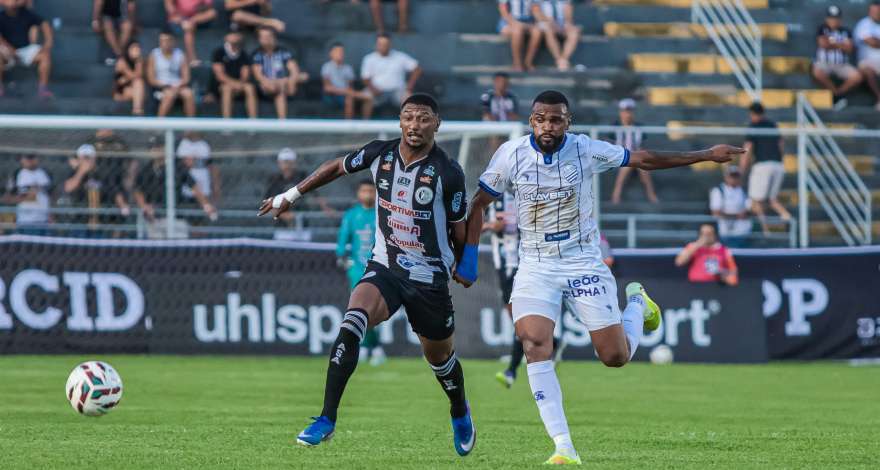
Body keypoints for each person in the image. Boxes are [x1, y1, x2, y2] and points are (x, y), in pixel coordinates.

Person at [455, 90, 744, 464]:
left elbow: (642, 159)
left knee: (614, 356)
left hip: (582, 262)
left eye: (556, 119)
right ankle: (563, 446)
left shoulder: (586, 149)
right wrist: (469, 257)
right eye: (541, 119)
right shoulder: (511, 154)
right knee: (534, 343)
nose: (548, 126)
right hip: (536, 264)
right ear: (531, 121)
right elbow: (479, 203)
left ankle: (637, 303)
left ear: (568, 122)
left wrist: (704, 154)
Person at [258, 94, 476, 456]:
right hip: (385, 266)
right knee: (352, 323)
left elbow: (459, 228)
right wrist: (291, 195)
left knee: (440, 360)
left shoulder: (448, 172)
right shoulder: (380, 154)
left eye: (424, 118)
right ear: (400, 121)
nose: (415, 125)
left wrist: (464, 261)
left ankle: (459, 411)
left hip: (428, 277)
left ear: (437, 124)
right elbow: (335, 167)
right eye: (409, 117)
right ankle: (326, 418)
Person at [335, 180, 386, 366]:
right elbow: (342, 241)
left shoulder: (382, 213)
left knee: (374, 310)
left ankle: (370, 346)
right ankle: (371, 347)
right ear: (358, 194)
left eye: (371, 191)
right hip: (357, 269)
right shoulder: (351, 215)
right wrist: (342, 257)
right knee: (360, 309)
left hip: (378, 267)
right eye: (364, 191)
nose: (368, 195)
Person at [133, 138, 216, 225]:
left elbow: (193, 186)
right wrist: (144, 206)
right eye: (152, 148)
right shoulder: (146, 169)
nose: (156, 150)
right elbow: (137, 190)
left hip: (176, 216)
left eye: (159, 147)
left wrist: (206, 205)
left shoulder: (176, 166)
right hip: (154, 216)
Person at [741, 101, 789, 235]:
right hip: (778, 165)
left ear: (752, 113)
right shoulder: (773, 125)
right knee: (772, 199)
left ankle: (765, 230)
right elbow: (781, 145)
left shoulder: (753, 126)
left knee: (755, 200)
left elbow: (747, 149)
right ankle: (786, 217)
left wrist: (742, 169)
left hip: (763, 165)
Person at [62, 143, 130, 236]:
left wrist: (123, 205)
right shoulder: (75, 173)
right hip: (80, 221)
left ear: (94, 158)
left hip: (101, 221)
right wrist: (81, 172)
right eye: (84, 158)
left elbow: (115, 191)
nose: (87, 160)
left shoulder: (103, 173)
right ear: (79, 159)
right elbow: (68, 188)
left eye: (88, 157)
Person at [0, 0, 53, 99]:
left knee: (45, 56)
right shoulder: (1, 17)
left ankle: (43, 88)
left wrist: (48, 42)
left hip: (26, 50)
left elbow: (44, 24)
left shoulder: (27, 14)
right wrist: (11, 50)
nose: (12, 2)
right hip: (7, 51)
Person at [609, 98, 658, 204]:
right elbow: (608, 144)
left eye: (630, 111)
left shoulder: (639, 127)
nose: (628, 114)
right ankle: (616, 194)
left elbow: (642, 146)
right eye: (625, 111)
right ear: (621, 112)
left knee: (642, 167)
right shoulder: (615, 127)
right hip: (619, 157)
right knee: (627, 164)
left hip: (635, 157)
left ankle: (651, 194)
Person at [813, 5, 862, 110]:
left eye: (836, 18)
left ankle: (837, 94)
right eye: (831, 18)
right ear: (827, 19)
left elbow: (849, 49)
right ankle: (837, 95)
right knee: (817, 71)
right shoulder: (822, 29)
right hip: (824, 62)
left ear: (840, 19)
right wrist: (841, 44)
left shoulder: (846, 31)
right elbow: (823, 44)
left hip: (841, 64)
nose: (834, 21)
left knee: (857, 76)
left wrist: (831, 43)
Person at [360, 33, 421, 111]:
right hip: (377, 90)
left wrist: (409, 86)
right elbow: (365, 78)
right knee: (367, 96)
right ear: (376, 45)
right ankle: (365, 119)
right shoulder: (369, 58)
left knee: (409, 98)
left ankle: (408, 119)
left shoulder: (400, 56)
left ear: (390, 44)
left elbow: (417, 69)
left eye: (385, 44)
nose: (383, 46)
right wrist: (373, 89)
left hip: (398, 90)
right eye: (380, 44)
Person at [251, 26, 300, 119]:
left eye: (269, 36)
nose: (267, 39)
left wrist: (292, 82)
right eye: (263, 37)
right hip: (265, 86)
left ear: (274, 37)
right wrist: (271, 83)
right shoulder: (257, 54)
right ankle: (282, 121)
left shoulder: (284, 52)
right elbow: (258, 76)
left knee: (282, 87)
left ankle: (282, 122)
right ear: (259, 39)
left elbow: (294, 70)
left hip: (283, 84)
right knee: (280, 87)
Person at [147, 30, 196, 117]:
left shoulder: (180, 54)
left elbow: (186, 77)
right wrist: (165, 85)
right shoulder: (154, 55)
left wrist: (178, 85)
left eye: (167, 40)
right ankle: (159, 122)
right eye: (162, 41)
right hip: (160, 86)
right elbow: (151, 79)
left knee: (189, 94)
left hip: (178, 85)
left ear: (173, 41)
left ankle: (191, 124)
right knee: (169, 94)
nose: (165, 43)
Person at [209, 31, 257, 119]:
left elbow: (245, 75)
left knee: (250, 88)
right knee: (227, 88)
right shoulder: (219, 52)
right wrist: (234, 84)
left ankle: (253, 121)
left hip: (239, 84)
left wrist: (240, 83)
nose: (234, 37)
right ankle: (227, 122)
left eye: (236, 34)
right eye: (231, 34)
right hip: (221, 85)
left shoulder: (244, 54)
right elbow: (220, 76)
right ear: (226, 37)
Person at [674, 223, 739, 286]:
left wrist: (723, 273)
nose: (706, 237)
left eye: (709, 234)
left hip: (716, 286)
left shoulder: (724, 250)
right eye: (703, 234)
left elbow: (733, 271)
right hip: (695, 286)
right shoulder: (692, 246)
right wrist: (697, 245)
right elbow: (679, 262)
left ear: (715, 235)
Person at [322, 43, 373, 120]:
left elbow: (350, 87)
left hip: (347, 94)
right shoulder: (326, 67)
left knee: (368, 98)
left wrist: (349, 92)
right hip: (332, 96)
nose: (340, 54)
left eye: (341, 52)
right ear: (331, 53)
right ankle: (348, 125)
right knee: (350, 99)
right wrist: (346, 91)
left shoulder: (348, 68)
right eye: (337, 51)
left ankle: (365, 124)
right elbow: (327, 88)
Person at [3, 154, 51, 235]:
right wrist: (28, 196)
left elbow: (52, 195)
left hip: (43, 220)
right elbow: (7, 198)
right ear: (21, 160)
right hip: (25, 220)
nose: (30, 161)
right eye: (27, 158)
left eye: (32, 157)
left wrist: (51, 215)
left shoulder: (45, 173)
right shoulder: (17, 174)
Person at [709, 165, 752, 248]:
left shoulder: (743, 190)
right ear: (726, 177)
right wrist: (736, 216)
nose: (734, 178)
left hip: (741, 231)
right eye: (731, 176)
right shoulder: (718, 190)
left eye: (736, 176)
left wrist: (745, 212)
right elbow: (715, 212)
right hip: (724, 228)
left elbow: (749, 208)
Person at [532, 0, 581, 71]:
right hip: (545, 23)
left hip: (562, 24)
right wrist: (550, 22)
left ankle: (563, 60)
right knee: (548, 31)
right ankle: (558, 59)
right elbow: (536, 11)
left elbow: (568, 8)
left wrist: (567, 22)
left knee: (574, 32)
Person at [164, 0, 217, 66]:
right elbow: (169, 6)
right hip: (179, 19)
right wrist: (180, 18)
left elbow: (209, 7)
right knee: (188, 28)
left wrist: (195, 16)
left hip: (196, 18)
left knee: (212, 13)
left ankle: (191, 21)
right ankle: (192, 59)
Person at [177, 132, 220, 208]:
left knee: (204, 206)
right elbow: (184, 163)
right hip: (188, 185)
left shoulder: (205, 145)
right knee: (188, 207)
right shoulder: (182, 144)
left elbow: (211, 166)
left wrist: (215, 186)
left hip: (204, 185)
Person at [498, 0, 542, 72]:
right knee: (517, 31)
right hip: (509, 22)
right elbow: (503, 9)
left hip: (527, 22)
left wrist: (540, 20)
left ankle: (528, 61)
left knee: (537, 31)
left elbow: (535, 9)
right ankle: (517, 63)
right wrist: (513, 23)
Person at [91, 0, 137, 66]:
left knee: (128, 25)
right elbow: (98, 2)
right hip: (106, 16)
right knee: (107, 25)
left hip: (121, 17)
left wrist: (133, 22)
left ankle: (118, 55)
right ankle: (120, 56)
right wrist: (95, 20)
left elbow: (131, 5)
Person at [855, 0, 880, 110]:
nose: (876, 13)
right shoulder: (864, 24)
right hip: (866, 61)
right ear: (869, 11)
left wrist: (875, 40)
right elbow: (872, 43)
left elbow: (875, 42)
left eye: (878, 11)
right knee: (868, 71)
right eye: (873, 11)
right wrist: (874, 41)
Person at [113, 41, 146, 115]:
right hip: (121, 91)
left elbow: (138, 75)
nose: (137, 50)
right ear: (128, 49)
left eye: (138, 48)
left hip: (135, 89)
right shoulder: (121, 61)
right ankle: (137, 111)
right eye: (134, 48)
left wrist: (138, 62)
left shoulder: (139, 61)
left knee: (139, 83)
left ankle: (137, 110)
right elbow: (130, 77)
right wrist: (127, 76)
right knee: (138, 82)